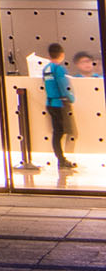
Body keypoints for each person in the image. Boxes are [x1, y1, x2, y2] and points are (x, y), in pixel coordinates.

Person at [45, 43, 78, 176]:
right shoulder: (59, 69)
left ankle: (61, 159)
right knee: (64, 132)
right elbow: (65, 86)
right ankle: (62, 160)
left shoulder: (46, 68)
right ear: (62, 54)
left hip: (50, 103)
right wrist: (72, 98)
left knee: (57, 133)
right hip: (60, 104)